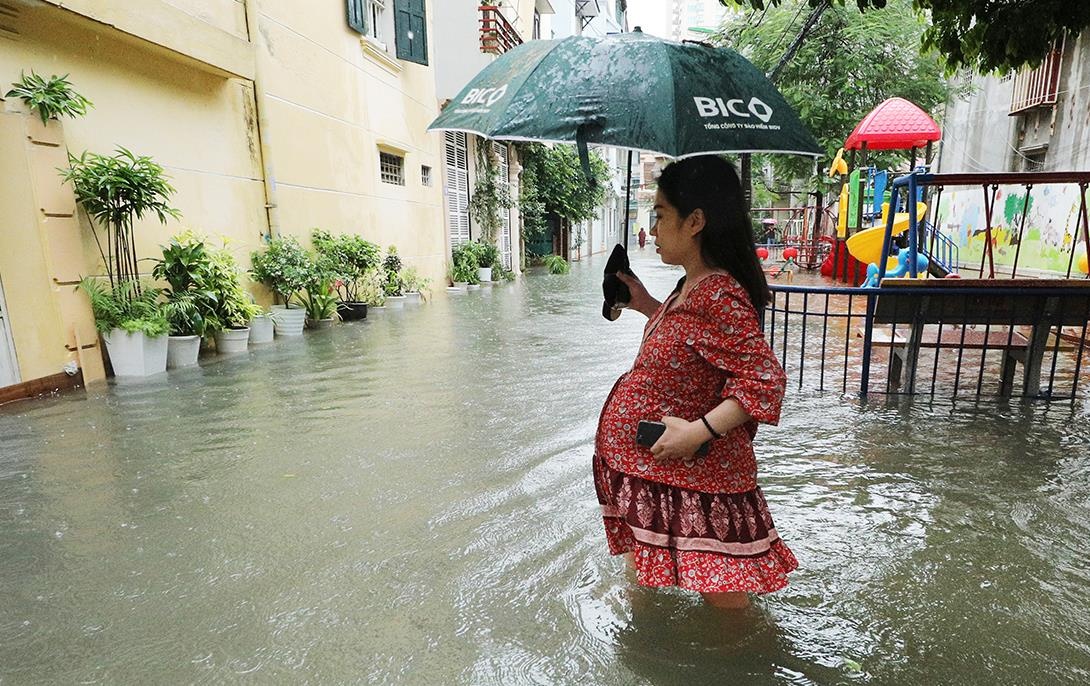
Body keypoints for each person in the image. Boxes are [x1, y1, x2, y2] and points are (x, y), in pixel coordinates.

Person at [593, 155, 795, 610]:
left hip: (696, 480)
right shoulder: (690, 286)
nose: (654, 228)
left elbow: (765, 381)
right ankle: (643, 642)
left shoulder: (719, 294)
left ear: (695, 221)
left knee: (726, 606)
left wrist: (697, 432)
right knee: (645, 583)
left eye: (661, 215)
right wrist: (646, 304)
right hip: (656, 474)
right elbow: (689, 342)